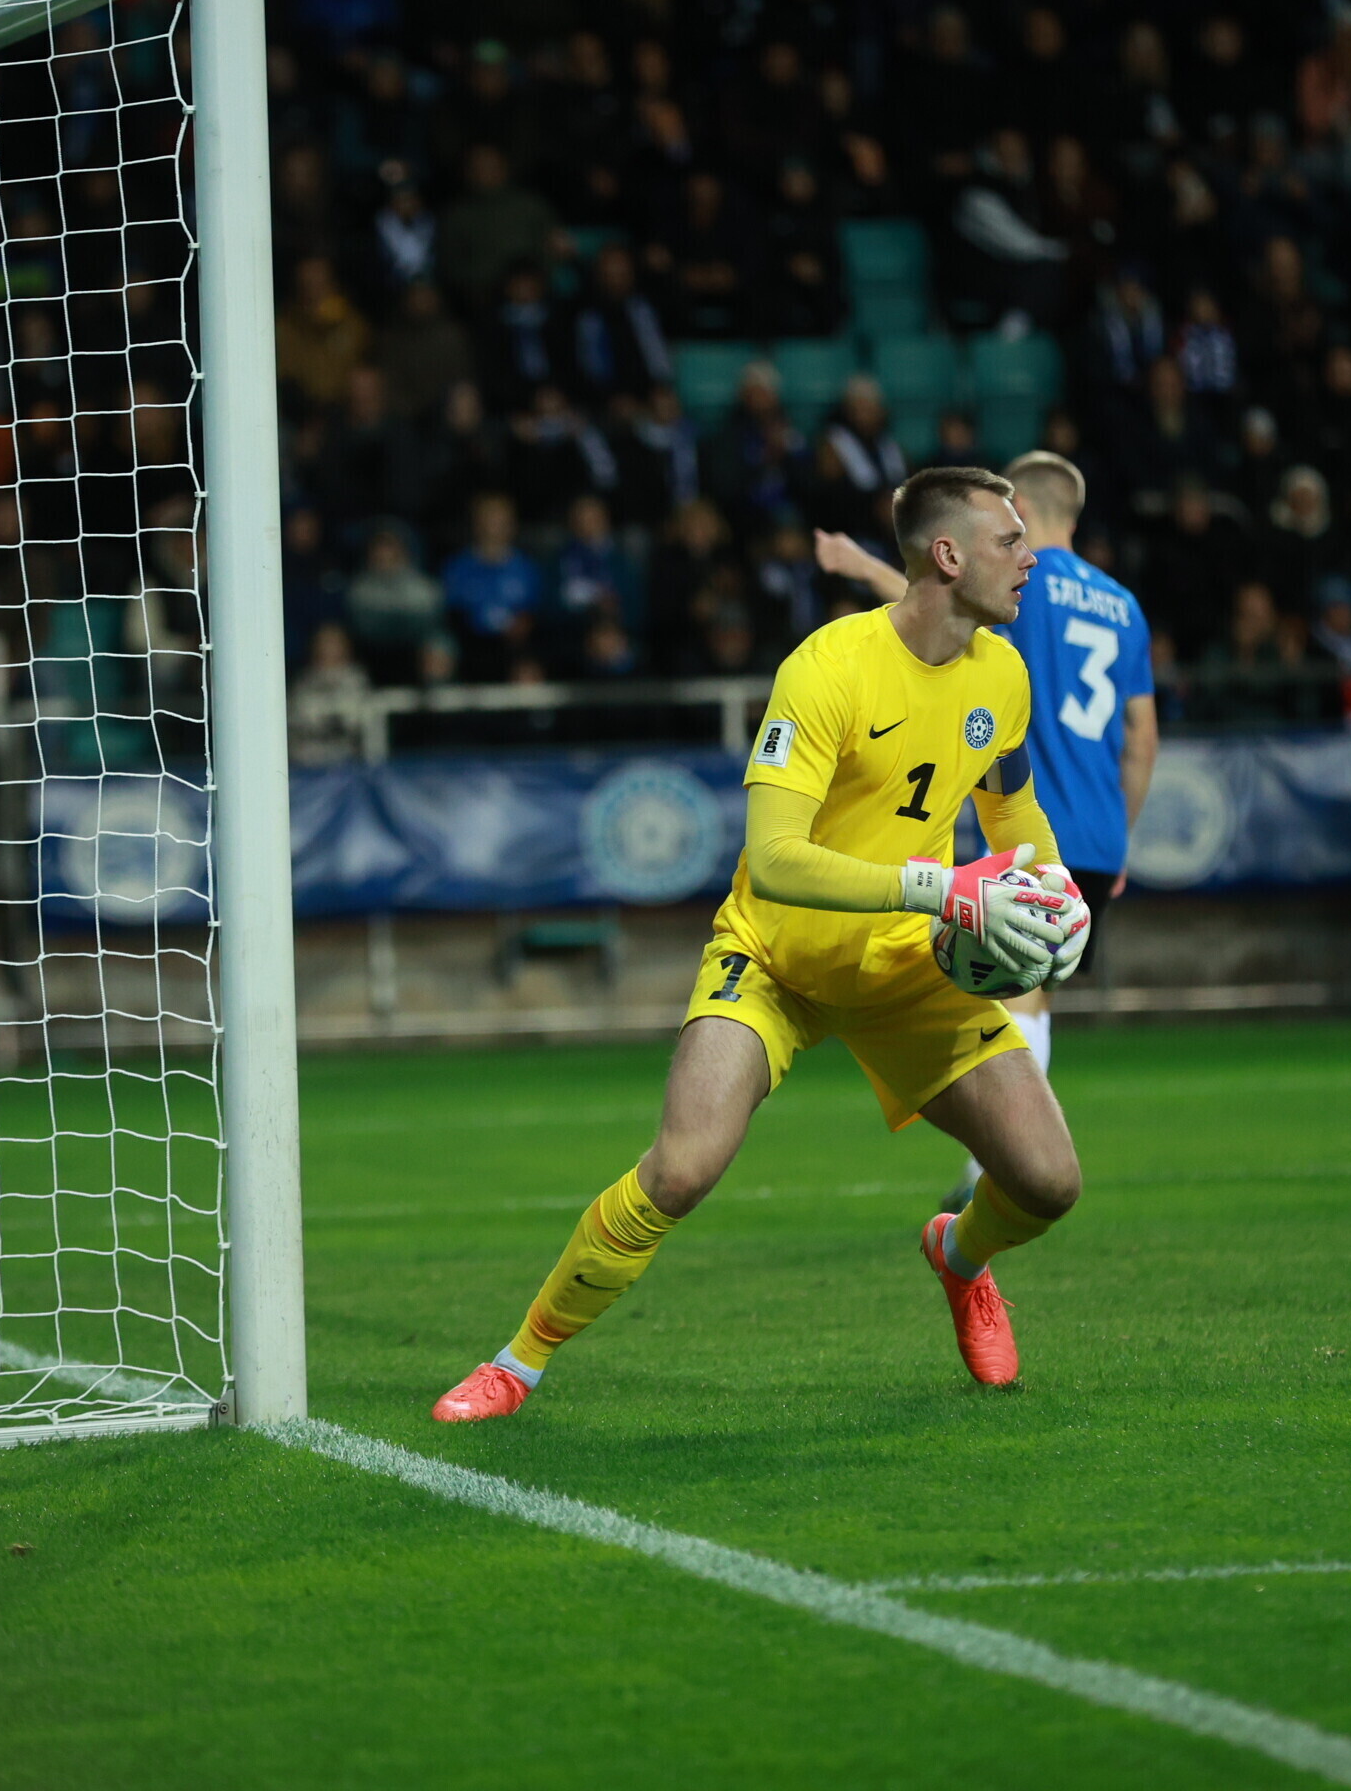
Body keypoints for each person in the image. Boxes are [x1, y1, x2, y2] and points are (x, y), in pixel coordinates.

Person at [430, 468, 1090, 1422]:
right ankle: (517, 1362)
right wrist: (937, 887)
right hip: (775, 961)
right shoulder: (827, 668)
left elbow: (1014, 813)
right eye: (1010, 541)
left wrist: (1055, 893)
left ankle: (958, 1254)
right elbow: (775, 859)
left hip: (905, 968)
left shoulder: (1003, 674)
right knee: (681, 1168)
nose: (1030, 558)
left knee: (1049, 1181)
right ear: (948, 555)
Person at [813, 452, 1157, 1217]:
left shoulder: (1021, 588)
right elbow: (1142, 735)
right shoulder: (1124, 606)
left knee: (1017, 989)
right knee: (1035, 991)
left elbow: (928, 606)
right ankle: (1005, 1159)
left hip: (1033, 818)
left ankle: (990, 1166)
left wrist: (857, 564)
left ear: (1022, 509)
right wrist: (1120, 838)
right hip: (1101, 829)